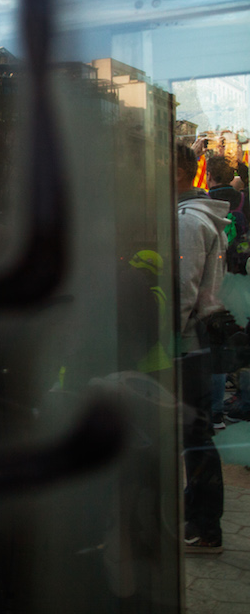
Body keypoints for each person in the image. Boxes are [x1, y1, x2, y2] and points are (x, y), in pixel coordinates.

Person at [177, 141, 229, 554]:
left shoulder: (186, 222)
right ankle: (199, 516)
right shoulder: (197, 217)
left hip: (184, 343)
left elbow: (183, 290)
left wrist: (159, 341)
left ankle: (203, 522)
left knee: (193, 435)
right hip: (195, 342)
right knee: (194, 433)